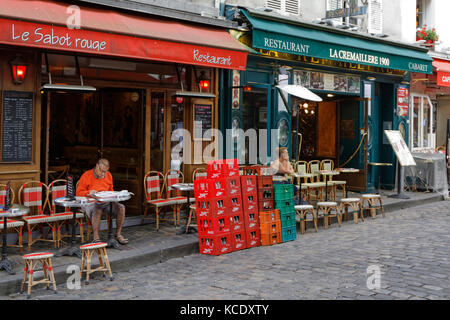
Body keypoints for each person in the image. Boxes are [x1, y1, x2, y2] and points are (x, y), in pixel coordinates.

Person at [76, 158, 129, 244]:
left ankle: (118, 234)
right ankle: (96, 237)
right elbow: (78, 193)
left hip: (106, 201)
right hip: (90, 202)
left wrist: (115, 195)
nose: (103, 174)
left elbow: (111, 190)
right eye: (102, 171)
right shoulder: (86, 175)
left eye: (105, 171)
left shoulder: (108, 175)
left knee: (121, 208)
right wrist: (88, 192)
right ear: (97, 166)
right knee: (97, 209)